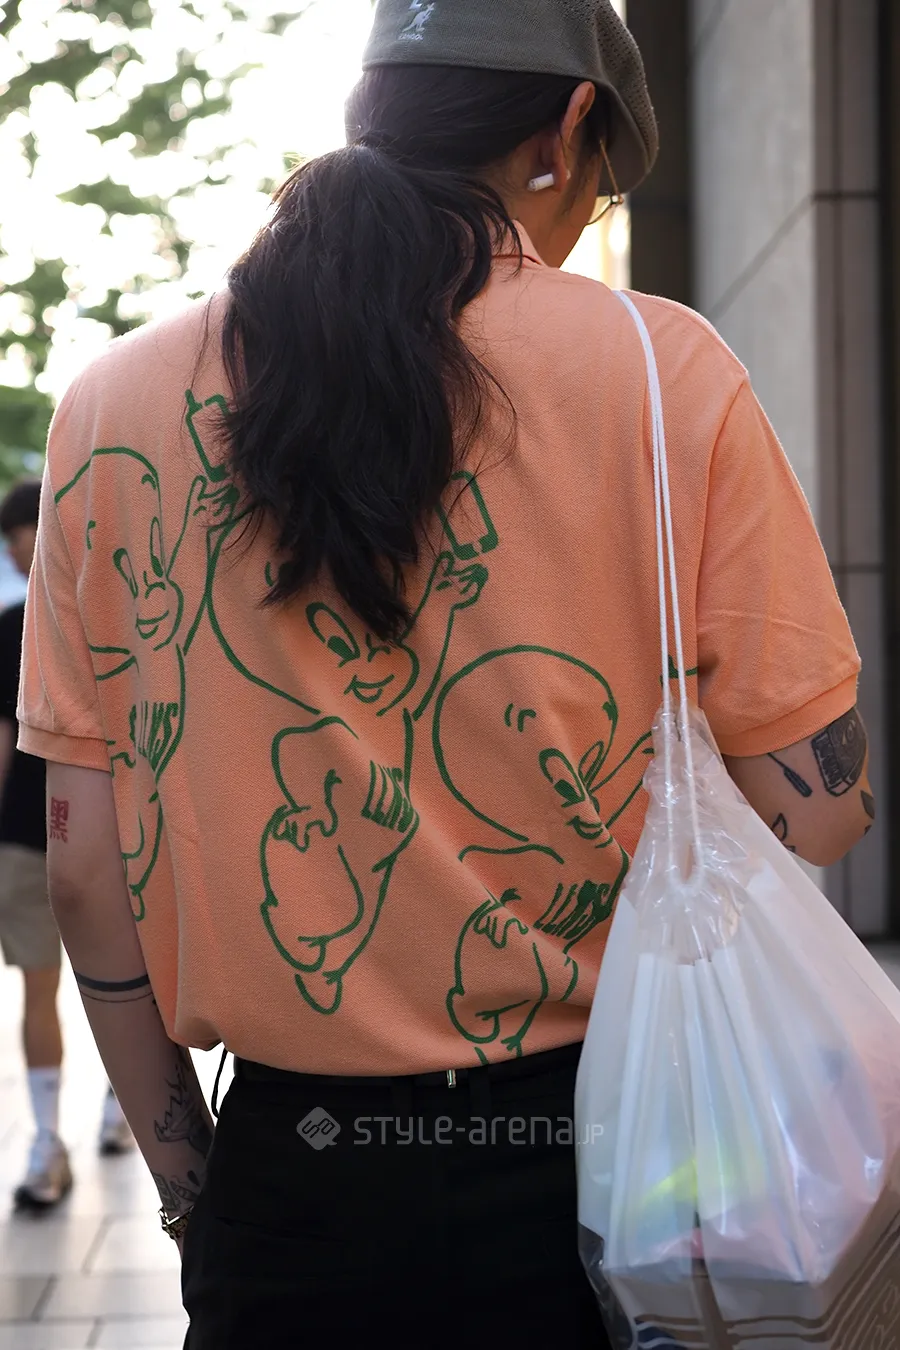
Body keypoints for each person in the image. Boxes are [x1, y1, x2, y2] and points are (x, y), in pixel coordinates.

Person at [15, 0, 873, 1343]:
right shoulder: (662, 372)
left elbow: (84, 870)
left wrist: (198, 1196)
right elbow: (816, 811)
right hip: (615, 1159)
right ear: (567, 131)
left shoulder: (110, 406)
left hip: (290, 1175)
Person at [0, 481, 134, 1211]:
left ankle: (67, 1133)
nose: (17, 546)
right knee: (100, 983)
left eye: (22, 530)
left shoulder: (19, 627)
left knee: (58, 985)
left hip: (44, 831)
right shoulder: (121, 614)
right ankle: (91, 1119)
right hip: (92, 831)